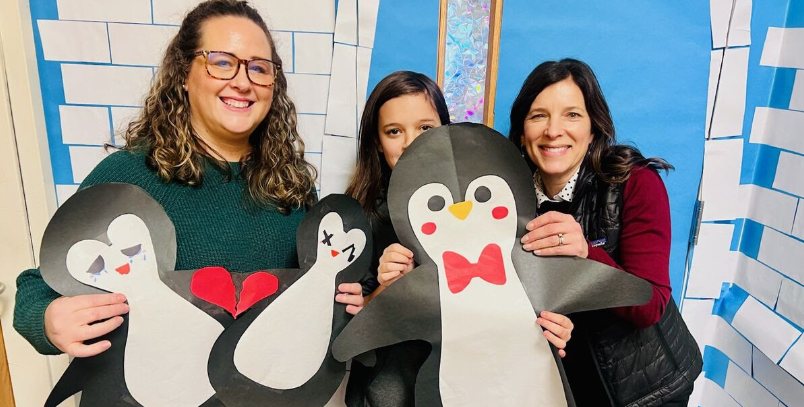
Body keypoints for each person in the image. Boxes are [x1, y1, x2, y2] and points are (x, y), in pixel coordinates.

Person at [13, 0, 364, 358]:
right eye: (222, 63)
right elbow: (37, 286)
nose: (243, 82)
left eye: (259, 68)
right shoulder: (128, 176)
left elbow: (310, 296)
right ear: (183, 74)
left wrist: (343, 299)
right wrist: (46, 319)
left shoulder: (292, 184)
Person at [345, 71, 574, 407]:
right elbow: (355, 326)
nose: (412, 143)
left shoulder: (486, 205)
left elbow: (530, 291)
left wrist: (555, 324)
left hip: (476, 382)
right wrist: (385, 289)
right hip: (392, 386)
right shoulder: (363, 218)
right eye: (394, 131)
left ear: (446, 132)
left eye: (426, 128)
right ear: (377, 142)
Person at [508, 58, 702, 406]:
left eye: (572, 115)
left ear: (593, 128)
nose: (554, 130)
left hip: (646, 388)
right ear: (522, 133)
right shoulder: (504, 198)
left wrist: (586, 253)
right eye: (538, 115)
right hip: (560, 387)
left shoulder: (635, 183)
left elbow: (650, 305)